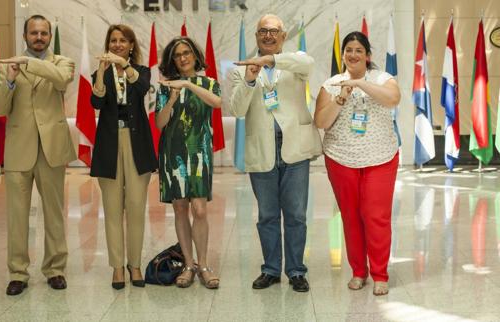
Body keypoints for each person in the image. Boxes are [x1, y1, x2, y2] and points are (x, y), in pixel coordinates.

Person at [228, 14, 317, 292]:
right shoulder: (240, 70)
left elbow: (309, 64)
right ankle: (270, 269)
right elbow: (236, 110)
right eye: (262, 31)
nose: (268, 36)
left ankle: (296, 271)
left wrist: (270, 61)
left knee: (296, 215)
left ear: (283, 36)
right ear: (256, 37)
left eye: (274, 31)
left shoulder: (294, 61)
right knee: (267, 215)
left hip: (295, 150)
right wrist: (251, 81)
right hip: (261, 151)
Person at [0, 14, 76, 296]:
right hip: (19, 150)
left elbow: (62, 81)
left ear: (50, 37)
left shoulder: (61, 62)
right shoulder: (8, 68)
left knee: (54, 213)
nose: (39, 38)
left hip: (52, 149)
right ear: (24, 36)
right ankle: (17, 272)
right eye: (33, 33)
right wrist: (11, 80)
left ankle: (55, 269)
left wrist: (29, 63)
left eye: (43, 33)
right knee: (17, 216)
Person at [314, 31, 401, 296]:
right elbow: (321, 122)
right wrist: (342, 95)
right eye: (348, 50)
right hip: (341, 158)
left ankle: (380, 273)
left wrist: (361, 84)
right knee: (350, 217)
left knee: (376, 216)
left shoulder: (382, 78)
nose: (352, 55)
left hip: (380, 157)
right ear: (343, 55)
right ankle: (358, 271)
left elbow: (392, 99)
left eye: (358, 50)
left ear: (368, 55)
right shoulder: (331, 84)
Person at [90, 24, 157, 290]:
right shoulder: (101, 72)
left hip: (136, 143)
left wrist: (123, 66)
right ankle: (117, 266)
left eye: (123, 40)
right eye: (113, 40)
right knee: (113, 209)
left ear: (131, 45)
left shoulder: (141, 72)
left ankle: (135, 264)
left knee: (137, 207)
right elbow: (96, 104)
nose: (117, 44)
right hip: (109, 145)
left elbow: (141, 89)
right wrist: (100, 77)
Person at [155, 36, 222, 289]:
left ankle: (204, 265)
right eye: (177, 55)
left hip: (199, 152)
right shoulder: (165, 87)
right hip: (173, 153)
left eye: (187, 53)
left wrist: (188, 84)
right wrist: (172, 97)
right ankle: (188, 264)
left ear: (195, 55)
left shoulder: (210, 83)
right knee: (180, 208)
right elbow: (160, 124)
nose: (182, 58)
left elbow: (216, 103)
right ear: (172, 60)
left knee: (200, 209)